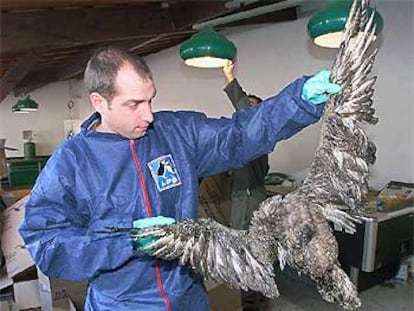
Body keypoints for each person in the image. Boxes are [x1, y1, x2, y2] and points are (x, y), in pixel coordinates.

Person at [18, 46, 341, 311]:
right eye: (134, 104)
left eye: (150, 100)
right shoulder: (71, 163)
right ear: (99, 102)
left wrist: (297, 102)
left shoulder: (175, 134)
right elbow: (48, 244)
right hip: (122, 305)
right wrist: (126, 241)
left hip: (188, 297)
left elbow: (238, 135)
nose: (148, 115)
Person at [222, 59, 269, 311]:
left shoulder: (258, 134)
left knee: (245, 251)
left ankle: (249, 303)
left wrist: (230, 78)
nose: (247, 112)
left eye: (253, 108)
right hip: (247, 195)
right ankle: (256, 296)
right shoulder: (246, 141)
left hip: (249, 198)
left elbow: (246, 114)